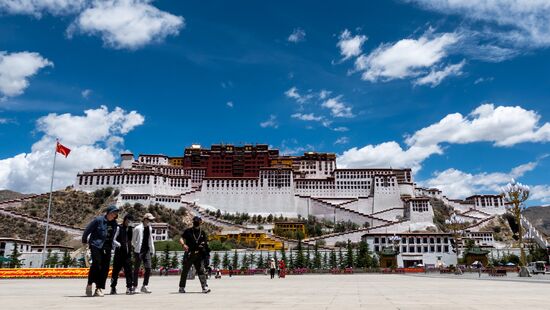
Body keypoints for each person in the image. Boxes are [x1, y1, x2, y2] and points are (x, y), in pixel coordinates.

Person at [82, 205, 120, 297]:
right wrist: (84, 241)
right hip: (96, 245)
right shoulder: (98, 220)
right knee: (97, 263)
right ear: (108, 212)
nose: (114, 215)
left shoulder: (115, 224)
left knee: (105, 268)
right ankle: (90, 284)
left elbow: (113, 236)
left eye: (115, 213)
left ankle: (98, 288)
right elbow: (87, 230)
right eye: (113, 213)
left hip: (107, 247)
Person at [178, 216, 211, 293]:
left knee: (201, 271)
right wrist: (183, 245)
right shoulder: (188, 231)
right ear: (193, 222)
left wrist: (204, 244)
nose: (196, 223)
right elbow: (181, 238)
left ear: (200, 223)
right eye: (195, 222)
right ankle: (181, 287)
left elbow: (206, 242)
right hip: (189, 253)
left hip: (199, 255)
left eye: (198, 222)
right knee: (185, 271)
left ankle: (204, 287)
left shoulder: (202, 232)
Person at [132, 213, 156, 294]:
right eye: (149, 220)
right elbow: (133, 240)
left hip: (147, 250)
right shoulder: (137, 228)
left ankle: (145, 285)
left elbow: (151, 240)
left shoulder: (149, 228)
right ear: (145, 219)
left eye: (151, 220)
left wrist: (152, 250)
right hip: (139, 251)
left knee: (148, 268)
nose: (150, 222)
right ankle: (135, 286)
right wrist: (137, 247)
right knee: (136, 269)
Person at [110, 214, 134, 295]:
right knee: (115, 271)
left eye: (130, 221)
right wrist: (119, 245)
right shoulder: (119, 228)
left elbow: (130, 241)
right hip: (119, 253)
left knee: (129, 271)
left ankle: (129, 287)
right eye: (128, 221)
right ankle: (113, 288)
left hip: (127, 254)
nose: (129, 223)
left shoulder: (130, 230)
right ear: (125, 220)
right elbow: (113, 239)